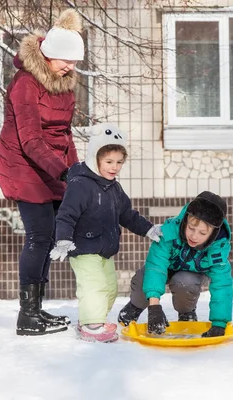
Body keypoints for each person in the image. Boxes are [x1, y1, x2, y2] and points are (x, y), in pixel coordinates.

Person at [0, 9, 85, 336]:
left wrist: (76, 170)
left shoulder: (65, 86)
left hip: (52, 169)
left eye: (75, 62)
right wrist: (64, 174)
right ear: (49, 55)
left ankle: (36, 309)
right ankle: (27, 315)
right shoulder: (24, 84)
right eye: (67, 61)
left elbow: (65, 134)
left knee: (50, 237)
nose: (71, 67)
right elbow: (30, 140)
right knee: (39, 236)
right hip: (23, 166)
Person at [50, 123, 163, 343]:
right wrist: (63, 239)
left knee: (110, 288)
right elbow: (66, 214)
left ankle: (94, 320)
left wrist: (148, 229)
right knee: (94, 286)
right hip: (82, 249)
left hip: (105, 251)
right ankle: (92, 326)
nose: (114, 167)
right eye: (109, 162)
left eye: (119, 162)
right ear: (95, 158)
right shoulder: (80, 185)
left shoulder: (114, 188)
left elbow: (128, 215)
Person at [118, 191, 233, 338]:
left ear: (213, 234)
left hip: (189, 276)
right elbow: (156, 267)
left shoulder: (218, 248)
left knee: (185, 281)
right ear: (185, 221)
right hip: (165, 268)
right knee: (144, 277)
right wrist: (154, 307)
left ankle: (186, 312)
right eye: (191, 228)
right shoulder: (169, 232)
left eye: (202, 233)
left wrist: (219, 323)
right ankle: (135, 306)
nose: (194, 236)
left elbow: (222, 284)